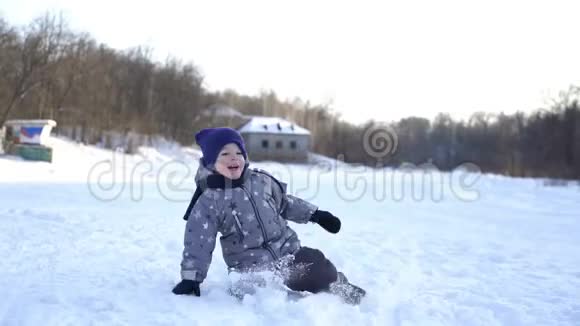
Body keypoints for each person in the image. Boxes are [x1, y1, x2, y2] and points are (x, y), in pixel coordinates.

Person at [171, 127, 366, 304]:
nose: (234, 158)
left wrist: (316, 214)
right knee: (254, 294)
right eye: (225, 154)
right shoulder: (209, 200)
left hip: (288, 254)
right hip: (249, 268)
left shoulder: (260, 181)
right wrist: (191, 277)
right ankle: (284, 310)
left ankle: (338, 285)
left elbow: (286, 203)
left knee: (318, 268)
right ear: (211, 163)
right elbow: (198, 239)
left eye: (239, 152)